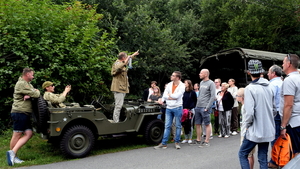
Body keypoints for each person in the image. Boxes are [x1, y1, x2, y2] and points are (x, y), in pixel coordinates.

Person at [238, 59, 275, 169]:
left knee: (242, 154)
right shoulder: (269, 86)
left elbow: (249, 113)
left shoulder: (250, 88)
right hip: (267, 129)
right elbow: (274, 109)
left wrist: (247, 126)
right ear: (261, 72)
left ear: (249, 72)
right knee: (262, 157)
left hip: (254, 130)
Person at [6, 68, 40, 166]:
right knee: (17, 134)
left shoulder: (28, 85)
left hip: (25, 113)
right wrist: (33, 92)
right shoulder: (22, 83)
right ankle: (13, 155)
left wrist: (31, 94)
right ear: (27, 74)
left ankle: (12, 153)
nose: (33, 76)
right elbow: (36, 93)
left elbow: (33, 93)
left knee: (29, 133)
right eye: (32, 74)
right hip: (19, 112)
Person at [154, 71, 185, 149]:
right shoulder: (169, 84)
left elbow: (178, 96)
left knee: (178, 126)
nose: (171, 76)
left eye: (173, 75)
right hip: (169, 107)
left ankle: (177, 142)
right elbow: (164, 94)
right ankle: (164, 143)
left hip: (177, 107)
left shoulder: (182, 85)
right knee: (167, 125)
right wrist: (169, 97)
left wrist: (169, 96)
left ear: (177, 78)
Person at [280, 54, 300, 158]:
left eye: (283, 62)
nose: (282, 64)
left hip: (294, 122)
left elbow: (288, 105)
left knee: (296, 154)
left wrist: (283, 125)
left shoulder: (289, 80)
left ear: (289, 64)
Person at [111, 50, 139, 123]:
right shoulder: (117, 64)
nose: (127, 59)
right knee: (118, 106)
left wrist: (133, 54)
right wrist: (127, 59)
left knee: (119, 106)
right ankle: (116, 122)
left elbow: (128, 59)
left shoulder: (122, 62)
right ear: (123, 58)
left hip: (122, 88)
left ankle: (117, 120)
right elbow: (119, 67)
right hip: (118, 88)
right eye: (126, 57)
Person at [192, 69, 215, 148]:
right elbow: (200, 94)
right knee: (197, 123)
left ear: (205, 74)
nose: (199, 74)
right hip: (198, 106)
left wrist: (207, 107)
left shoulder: (211, 83)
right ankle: (198, 140)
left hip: (205, 107)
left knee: (206, 124)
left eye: (201, 73)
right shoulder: (201, 83)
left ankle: (207, 141)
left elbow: (212, 96)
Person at [266, 65, 283, 168]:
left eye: (269, 72)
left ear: (273, 73)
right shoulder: (283, 82)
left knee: (274, 138)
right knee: (281, 136)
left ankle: (274, 161)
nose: (268, 74)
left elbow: (269, 100)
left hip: (275, 114)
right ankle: (281, 158)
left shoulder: (272, 85)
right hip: (282, 113)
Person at [237, 88, 256, 169]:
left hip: (246, 132)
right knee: (250, 154)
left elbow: (247, 119)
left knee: (246, 153)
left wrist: (246, 131)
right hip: (245, 130)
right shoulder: (245, 106)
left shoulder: (245, 106)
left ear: (242, 97)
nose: (236, 97)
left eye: (237, 95)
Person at [181, 80, 197, 144]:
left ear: (189, 84)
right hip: (184, 110)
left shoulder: (193, 92)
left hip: (190, 110)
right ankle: (186, 137)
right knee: (184, 124)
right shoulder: (183, 92)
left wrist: (192, 106)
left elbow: (195, 101)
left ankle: (190, 137)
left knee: (190, 124)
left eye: (185, 83)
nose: (184, 84)